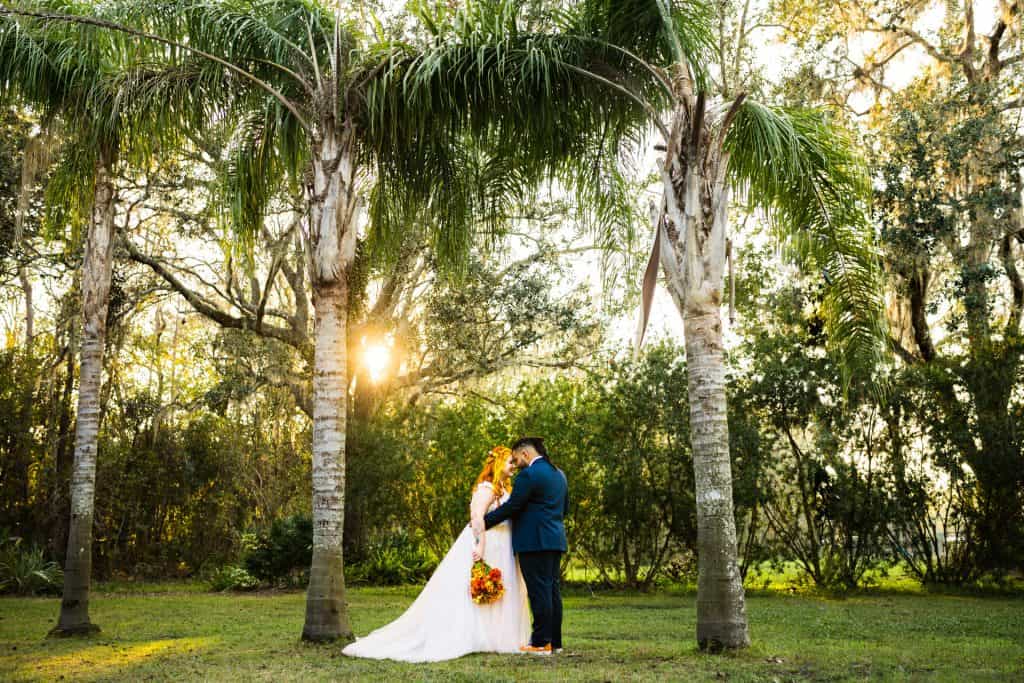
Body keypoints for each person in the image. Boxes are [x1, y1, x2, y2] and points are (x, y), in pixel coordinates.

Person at [341, 446, 529, 662]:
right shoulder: (486, 488)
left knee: (499, 589)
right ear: (497, 464)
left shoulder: (503, 488)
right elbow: (477, 518)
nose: (513, 466)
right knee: (475, 589)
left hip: (502, 545)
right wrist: (480, 545)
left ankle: (494, 636)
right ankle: (474, 635)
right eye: (509, 462)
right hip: (487, 543)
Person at [482, 436, 569, 655]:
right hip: (555, 539)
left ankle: (540, 643)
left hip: (534, 542)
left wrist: (483, 523)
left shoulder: (529, 474)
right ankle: (554, 642)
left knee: (538, 592)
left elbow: (513, 507)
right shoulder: (560, 474)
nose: (515, 462)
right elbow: (564, 509)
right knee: (551, 591)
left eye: (515, 457)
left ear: (525, 454)